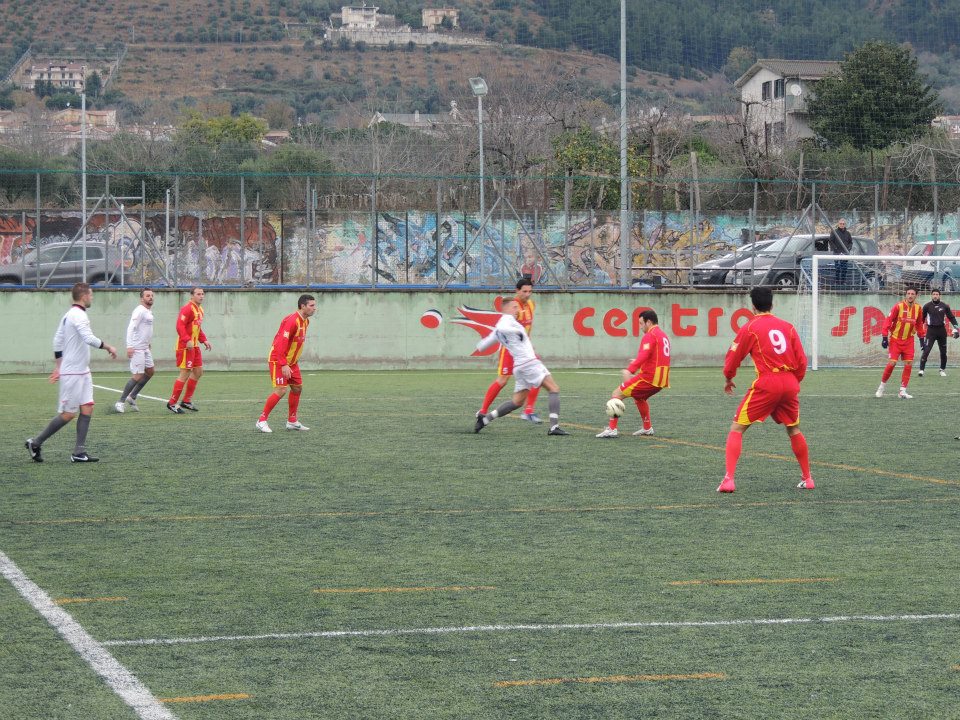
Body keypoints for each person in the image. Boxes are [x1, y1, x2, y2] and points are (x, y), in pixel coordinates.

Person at [718, 286, 813, 493]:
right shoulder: (787, 327)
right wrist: (793, 382)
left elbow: (733, 358)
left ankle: (729, 480)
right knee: (794, 429)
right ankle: (808, 478)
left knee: (737, 428)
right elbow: (802, 361)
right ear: (772, 303)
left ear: (752, 306)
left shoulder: (750, 327)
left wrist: (729, 378)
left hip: (767, 382)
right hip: (789, 383)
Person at [25, 283, 117, 463]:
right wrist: (108, 347)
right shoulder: (78, 315)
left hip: (82, 371)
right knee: (68, 414)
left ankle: (79, 452)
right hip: (73, 373)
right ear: (83, 296)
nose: (92, 298)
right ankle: (35, 442)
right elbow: (88, 338)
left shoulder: (68, 316)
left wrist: (59, 366)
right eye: (91, 295)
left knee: (88, 407)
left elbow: (57, 342)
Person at [474, 296, 567, 436]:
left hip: (519, 366)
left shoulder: (499, 329)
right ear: (505, 308)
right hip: (529, 363)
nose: (518, 310)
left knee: (517, 402)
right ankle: (554, 428)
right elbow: (502, 327)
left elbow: (483, 345)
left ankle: (485, 420)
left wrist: (489, 340)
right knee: (554, 388)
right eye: (514, 307)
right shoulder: (506, 321)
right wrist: (515, 332)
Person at [476, 277, 542, 423]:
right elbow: (504, 327)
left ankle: (528, 411)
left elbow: (526, 328)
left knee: (539, 375)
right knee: (502, 380)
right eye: (524, 291)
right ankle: (482, 411)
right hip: (510, 351)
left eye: (530, 291)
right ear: (517, 291)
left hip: (525, 351)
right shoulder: (513, 307)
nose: (527, 294)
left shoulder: (531, 305)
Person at [596, 309, 671, 438]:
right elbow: (656, 357)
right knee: (639, 397)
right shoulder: (662, 335)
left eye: (641, 323)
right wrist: (638, 362)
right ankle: (647, 428)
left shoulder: (650, 335)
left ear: (648, 322)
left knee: (616, 394)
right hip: (661, 379)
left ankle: (612, 429)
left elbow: (644, 354)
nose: (640, 326)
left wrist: (630, 369)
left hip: (649, 378)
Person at [256, 294, 317, 433]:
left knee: (297, 388)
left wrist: (290, 362)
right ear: (303, 306)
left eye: (314, 305)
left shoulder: (305, 321)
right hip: (279, 359)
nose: (314, 308)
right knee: (281, 390)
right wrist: (283, 364)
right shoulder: (292, 321)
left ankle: (292, 421)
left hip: (291, 362)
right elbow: (280, 343)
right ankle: (261, 420)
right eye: (312, 305)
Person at [167, 286, 211, 413]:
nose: (201, 296)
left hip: (195, 346)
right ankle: (172, 403)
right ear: (192, 296)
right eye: (198, 294)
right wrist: (187, 340)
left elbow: (198, 328)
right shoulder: (187, 309)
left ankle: (186, 400)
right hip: (185, 346)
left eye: (202, 294)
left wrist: (204, 340)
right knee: (185, 373)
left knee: (198, 372)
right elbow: (179, 326)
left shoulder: (200, 310)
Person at [876, 286, 925, 399]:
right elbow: (888, 321)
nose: (910, 295)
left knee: (908, 364)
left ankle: (902, 391)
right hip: (895, 340)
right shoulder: (898, 306)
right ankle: (882, 387)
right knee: (892, 363)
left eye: (912, 293)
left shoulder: (918, 308)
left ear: (916, 295)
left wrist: (922, 339)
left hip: (909, 341)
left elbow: (919, 325)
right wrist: (884, 337)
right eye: (908, 293)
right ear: (905, 295)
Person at [115, 288, 155, 413]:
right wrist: (129, 346)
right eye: (148, 296)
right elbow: (131, 328)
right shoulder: (139, 311)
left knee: (150, 372)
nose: (151, 297)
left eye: (152, 295)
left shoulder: (148, 311)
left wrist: (148, 342)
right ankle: (120, 402)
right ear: (142, 298)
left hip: (145, 348)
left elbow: (145, 329)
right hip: (137, 348)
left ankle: (132, 396)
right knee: (138, 375)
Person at [918, 289, 959, 377]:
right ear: (931, 295)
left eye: (937, 294)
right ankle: (921, 370)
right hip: (931, 331)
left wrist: (956, 328)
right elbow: (921, 319)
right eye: (934, 294)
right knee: (926, 350)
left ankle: (942, 370)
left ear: (939, 295)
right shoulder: (927, 306)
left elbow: (951, 317)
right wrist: (918, 328)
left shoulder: (944, 306)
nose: (935, 296)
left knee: (943, 352)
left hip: (941, 331)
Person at [830, 219, 853, 288]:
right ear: (838, 224)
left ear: (845, 224)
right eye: (840, 223)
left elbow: (850, 243)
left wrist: (848, 250)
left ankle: (843, 282)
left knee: (844, 269)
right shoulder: (834, 232)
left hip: (845, 254)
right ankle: (837, 282)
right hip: (837, 253)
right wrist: (836, 250)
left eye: (843, 224)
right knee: (837, 268)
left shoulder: (848, 233)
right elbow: (831, 242)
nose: (842, 225)